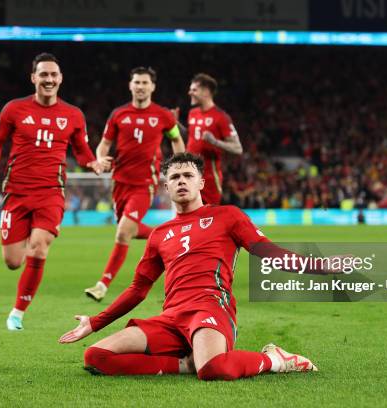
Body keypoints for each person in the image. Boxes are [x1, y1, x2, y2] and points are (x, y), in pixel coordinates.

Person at [60, 152, 339, 380]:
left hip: (210, 307)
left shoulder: (227, 216)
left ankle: (275, 359)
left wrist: (321, 266)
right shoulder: (159, 234)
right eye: (175, 177)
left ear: (201, 183)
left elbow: (269, 253)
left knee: (214, 369)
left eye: (188, 176)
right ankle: (184, 364)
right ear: (166, 187)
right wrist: (95, 323)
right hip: (171, 318)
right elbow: (138, 289)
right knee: (96, 357)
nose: (182, 181)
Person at [0, 53, 103, 330]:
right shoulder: (13, 109)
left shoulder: (73, 115)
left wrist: (93, 163)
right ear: (34, 78)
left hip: (51, 192)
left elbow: (82, 151)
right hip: (16, 192)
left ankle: (17, 313)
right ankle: (26, 246)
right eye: (44, 75)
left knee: (39, 248)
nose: (49, 79)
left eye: (53, 75)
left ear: (60, 79)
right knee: (13, 262)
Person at [84, 67, 185, 301]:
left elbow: (176, 139)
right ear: (130, 86)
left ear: (152, 87)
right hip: (119, 183)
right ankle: (171, 235)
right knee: (127, 231)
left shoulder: (162, 115)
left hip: (144, 184)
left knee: (123, 231)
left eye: (144, 82)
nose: (140, 86)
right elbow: (104, 145)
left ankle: (102, 284)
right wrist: (99, 158)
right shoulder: (118, 114)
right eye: (137, 82)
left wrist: (178, 165)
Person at [175, 73, 243, 205]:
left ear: (206, 92)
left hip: (209, 177)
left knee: (209, 218)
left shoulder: (221, 117)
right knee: (188, 217)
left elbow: (237, 148)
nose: (190, 93)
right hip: (189, 173)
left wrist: (214, 142)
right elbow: (191, 137)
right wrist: (175, 124)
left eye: (194, 90)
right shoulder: (192, 113)